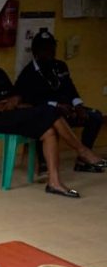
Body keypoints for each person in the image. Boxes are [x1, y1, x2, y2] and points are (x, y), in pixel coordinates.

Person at [0, 38, 105, 198]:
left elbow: (16, 94)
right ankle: (82, 151)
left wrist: (14, 101)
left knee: (49, 131)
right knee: (50, 111)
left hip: (13, 115)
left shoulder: (0, 73)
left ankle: (54, 182)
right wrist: (6, 105)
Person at [15, 30, 105, 169]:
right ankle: (44, 163)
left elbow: (70, 88)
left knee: (95, 116)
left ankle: (83, 160)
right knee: (45, 122)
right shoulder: (28, 74)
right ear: (35, 52)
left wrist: (78, 105)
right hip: (45, 112)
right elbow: (29, 102)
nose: (50, 52)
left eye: (52, 48)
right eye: (45, 49)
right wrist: (56, 105)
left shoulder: (60, 66)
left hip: (67, 110)